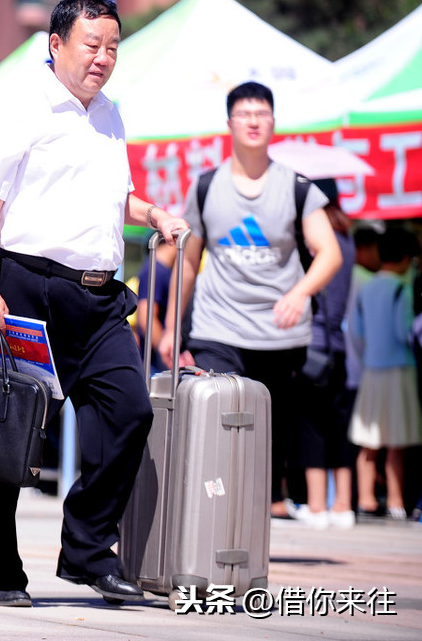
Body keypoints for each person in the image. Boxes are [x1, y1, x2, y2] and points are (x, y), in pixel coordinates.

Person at [0, 0, 186, 607]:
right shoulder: (19, 104)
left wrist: (152, 212)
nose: (103, 58)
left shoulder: (110, 113)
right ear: (57, 43)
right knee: (7, 434)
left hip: (100, 296)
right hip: (27, 287)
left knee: (129, 412)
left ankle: (87, 551)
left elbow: (111, 198)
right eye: (92, 45)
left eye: (113, 47)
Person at [158, 81, 342, 519]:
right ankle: (214, 519)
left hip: (279, 335)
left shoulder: (298, 188)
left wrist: (300, 292)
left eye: (262, 113)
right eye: (245, 114)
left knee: (265, 435)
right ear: (230, 124)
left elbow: (329, 251)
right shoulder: (206, 187)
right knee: (219, 421)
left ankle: (250, 525)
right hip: (217, 327)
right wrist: (170, 328)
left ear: (273, 122)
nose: (254, 121)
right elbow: (187, 263)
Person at [288, 179, 356, 529]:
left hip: (311, 344)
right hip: (340, 347)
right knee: (339, 425)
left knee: (311, 425)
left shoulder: (316, 243)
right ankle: (343, 504)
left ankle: (317, 506)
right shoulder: (348, 239)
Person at [348, 227, 421, 521]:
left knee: (369, 440)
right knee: (396, 441)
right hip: (398, 370)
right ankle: (395, 501)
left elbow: (357, 330)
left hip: (371, 369)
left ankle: (365, 499)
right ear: (405, 258)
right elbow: (404, 333)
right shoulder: (401, 290)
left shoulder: (366, 287)